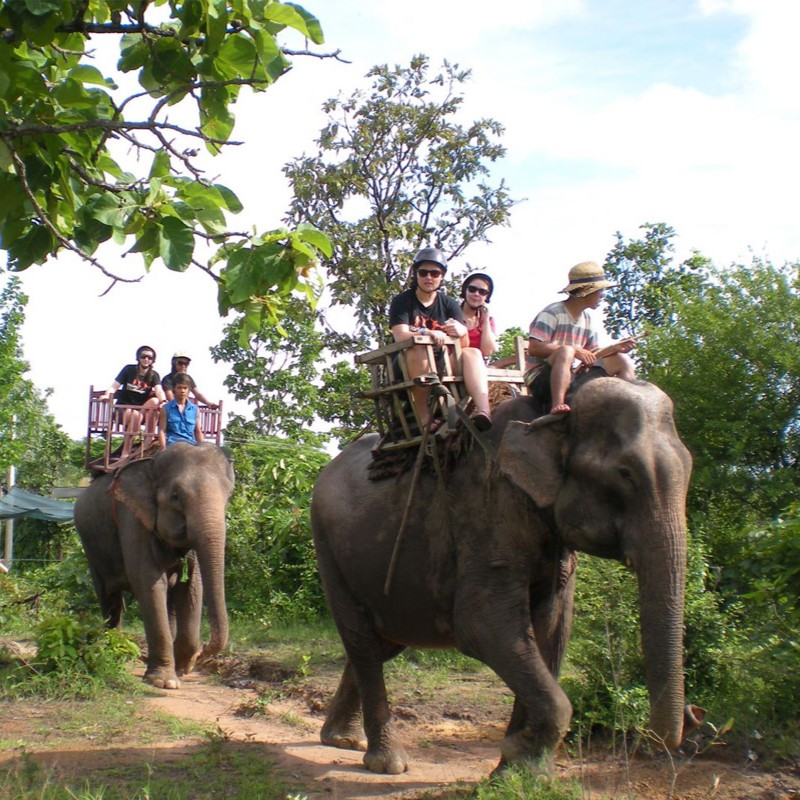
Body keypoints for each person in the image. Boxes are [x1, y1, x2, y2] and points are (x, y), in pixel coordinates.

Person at [388, 247, 493, 432]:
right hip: (408, 364)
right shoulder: (402, 301)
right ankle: (422, 415)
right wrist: (427, 333)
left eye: (435, 273)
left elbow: (464, 345)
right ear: (416, 274)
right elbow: (400, 335)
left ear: (441, 276)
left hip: (442, 364)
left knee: (473, 353)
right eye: (423, 272)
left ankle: (483, 410)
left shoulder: (449, 303)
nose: (429, 277)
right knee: (419, 348)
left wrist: (462, 332)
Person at [526, 261, 636, 415]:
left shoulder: (587, 319)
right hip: (543, 379)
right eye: (600, 291)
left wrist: (614, 348)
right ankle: (558, 405)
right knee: (566, 352)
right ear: (586, 291)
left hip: (572, 376)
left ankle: (626, 406)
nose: (602, 296)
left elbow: (592, 355)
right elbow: (534, 347)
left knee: (620, 360)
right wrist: (575, 351)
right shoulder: (552, 313)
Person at [102, 345, 166, 459]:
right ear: (138, 358)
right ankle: (125, 451)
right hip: (123, 410)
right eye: (143, 356)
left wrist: (163, 401)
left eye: (150, 358)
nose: (146, 359)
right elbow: (114, 386)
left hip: (140, 411)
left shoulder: (154, 375)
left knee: (155, 401)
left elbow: (159, 390)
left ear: (153, 360)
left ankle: (148, 438)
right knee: (136, 415)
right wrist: (106, 395)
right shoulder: (129, 369)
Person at [459, 271, 498, 359]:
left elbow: (488, 351)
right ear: (465, 290)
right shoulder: (451, 313)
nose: (476, 294)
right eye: (472, 289)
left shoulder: (488, 320)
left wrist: (486, 320)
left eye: (482, 292)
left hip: (477, 365)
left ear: (487, 297)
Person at [158, 373, 204, 447]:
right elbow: (161, 431)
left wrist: (203, 448)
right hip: (172, 445)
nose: (182, 391)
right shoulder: (165, 408)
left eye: (185, 388)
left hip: (190, 445)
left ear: (189, 390)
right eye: (179, 388)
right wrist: (163, 449)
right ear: (174, 389)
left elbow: (197, 431)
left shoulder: (195, 409)